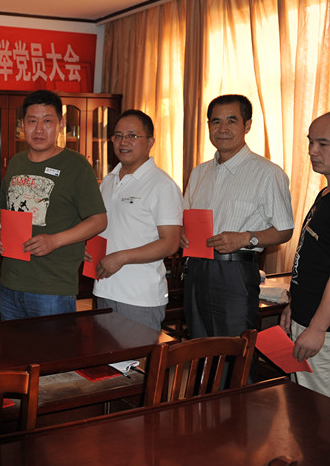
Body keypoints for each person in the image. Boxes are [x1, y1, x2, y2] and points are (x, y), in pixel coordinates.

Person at [182, 94, 294, 339]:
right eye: (216, 121)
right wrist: (182, 232)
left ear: (247, 125)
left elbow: (285, 230)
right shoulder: (199, 172)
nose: (222, 129)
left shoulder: (267, 173)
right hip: (196, 269)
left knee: (233, 349)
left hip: (234, 272)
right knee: (199, 345)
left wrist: (246, 238)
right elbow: (186, 217)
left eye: (231, 121)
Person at [0, 89, 107, 320]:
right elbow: (1, 209)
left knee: (53, 345)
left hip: (52, 289)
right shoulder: (16, 162)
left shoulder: (76, 165)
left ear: (61, 124)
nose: (39, 129)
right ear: (22, 125)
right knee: (11, 344)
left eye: (47, 121)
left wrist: (55, 240)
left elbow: (99, 220)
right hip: (10, 284)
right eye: (32, 121)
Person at [91, 110, 182, 331]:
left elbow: (170, 243)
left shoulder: (162, 185)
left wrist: (121, 257)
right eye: (118, 136)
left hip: (139, 297)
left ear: (150, 142)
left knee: (137, 355)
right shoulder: (109, 181)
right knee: (103, 353)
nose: (123, 142)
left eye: (132, 136)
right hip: (103, 288)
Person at [280, 112, 330, 396]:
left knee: (316, 406)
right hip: (307, 316)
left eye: (323, 144)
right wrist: (295, 304)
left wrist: (318, 328)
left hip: (321, 329)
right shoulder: (325, 194)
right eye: (310, 142)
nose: (312, 150)